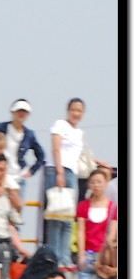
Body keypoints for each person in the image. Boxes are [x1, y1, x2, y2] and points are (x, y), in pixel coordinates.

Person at [44, 98, 87, 268]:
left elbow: (80, 155)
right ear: (68, 110)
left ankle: (65, 257)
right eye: (73, 110)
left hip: (73, 172)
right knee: (56, 216)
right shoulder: (60, 125)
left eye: (79, 111)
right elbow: (56, 148)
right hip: (57, 170)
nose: (76, 113)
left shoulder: (79, 132)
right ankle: (54, 257)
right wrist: (60, 172)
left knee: (68, 218)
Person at [0, 98, 45, 193]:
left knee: (17, 205)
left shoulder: (29, 134)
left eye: (24, 112)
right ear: (12, 112)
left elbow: (41, 156)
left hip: (18, 177)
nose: (21, 114)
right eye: (19, 111)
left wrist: (32, 171)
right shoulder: (0, 127)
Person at [76, 169, 118, 279]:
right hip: (88, 255)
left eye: (99, 182)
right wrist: (81, 254)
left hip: (103, 258)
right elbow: (81, 231)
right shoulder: (83, 206)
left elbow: (111, 234)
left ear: (106, 184)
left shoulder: (113, 207)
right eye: (93, 182)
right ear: (89, 184)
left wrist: (104, 253)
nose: (96, 185)